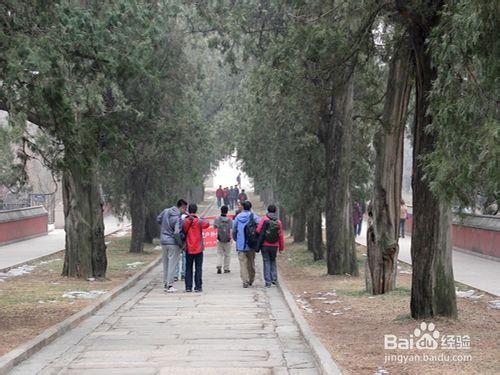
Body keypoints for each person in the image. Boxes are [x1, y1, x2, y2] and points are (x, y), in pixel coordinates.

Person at [157, 199, 187, 292]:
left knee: (165, 264)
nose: (185, 211)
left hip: (163, 241)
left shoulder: (166, 211)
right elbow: (177, 233)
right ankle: (170, 285)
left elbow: (158, 219)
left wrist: (164, 227)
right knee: (172, 264)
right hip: (173, 243)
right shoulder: (177, 218)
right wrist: (181, 244)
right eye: (184, 209)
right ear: (181, 207)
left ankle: (166, 282)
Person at [232, 200, 260, 288]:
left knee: (243, 264)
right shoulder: (254, 216)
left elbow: (234, 230)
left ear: (243, 207)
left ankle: (245, 281)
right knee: (251, 262)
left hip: (241, 244)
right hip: (251, 244)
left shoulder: (238, 217)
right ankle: (251, 279)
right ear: (250, 207)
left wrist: (236, 239)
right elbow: (260, 225)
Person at [183, 203, 210, 292]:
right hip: (198, 248)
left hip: (188, 247)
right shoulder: (199, 221)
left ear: (189, 210)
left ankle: (188, 287)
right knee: (198, 268)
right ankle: (198, 287)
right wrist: (201, 217)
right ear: (196, 210)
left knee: (188, 267)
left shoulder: (185, 221)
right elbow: (207, 224)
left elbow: (182, 229)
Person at [256, 205, 285, 288]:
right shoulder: (278, 222)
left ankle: (267, 281)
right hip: (274, 245)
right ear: (275, 211)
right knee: (273, 261)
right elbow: (280, 236)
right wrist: (281, 248)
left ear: (268, 210)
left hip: (265, 245)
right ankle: (274, 279)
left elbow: (258, 230)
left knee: (266, 262)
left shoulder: (264, 219)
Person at [213, 205, 233, 274]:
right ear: (227, 212)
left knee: (219, 253)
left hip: (219, 239)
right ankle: (226, 268)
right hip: (227, 239)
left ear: (221, 211)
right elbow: (231, 229)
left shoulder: (217, 219)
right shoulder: (229, 220)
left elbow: (214, 227)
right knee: (227, 254)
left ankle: (219, 265)